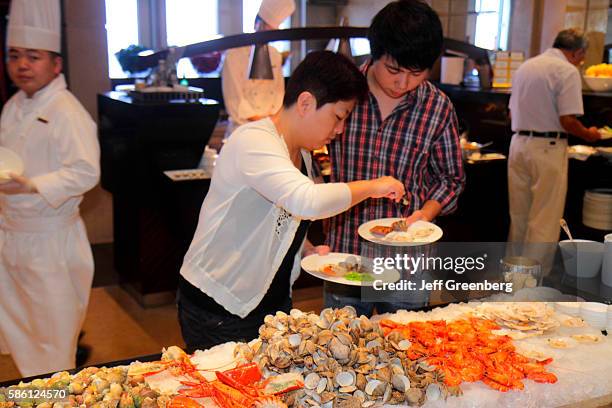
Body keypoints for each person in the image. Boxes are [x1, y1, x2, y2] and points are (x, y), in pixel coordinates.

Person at [178, 51, 405, 351]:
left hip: (269, 303)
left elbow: (277, 215)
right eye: (338, 117)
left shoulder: (303, 154)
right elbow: (305, 200)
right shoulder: (253, 140)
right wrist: (374, 186)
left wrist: (305, 247)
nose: (340, 130)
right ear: (306, 103)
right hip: (220, 305)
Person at [324, 0, 465, 316]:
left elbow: (451, 178)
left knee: (406, 351)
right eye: (393, 70)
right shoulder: (342, 93)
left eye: (416, 73)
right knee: (339, 350)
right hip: (346, 254)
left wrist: (425, 216)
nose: (403, 83)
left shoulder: (437, 107)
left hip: (408, 261)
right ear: (375, 54)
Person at [0, 0, 100, 377]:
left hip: (50, 246)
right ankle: (36, 398)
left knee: (52, 347)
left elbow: (86, 172)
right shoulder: (13, 105)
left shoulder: (66, 110)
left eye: (33, 56)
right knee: (21, 336)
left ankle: (53, 399)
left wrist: (34, 184)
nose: (22, 65)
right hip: (11, 237)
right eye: (14, 56)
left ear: (56, 64)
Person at [508, 29, 601, 245]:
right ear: (578, 52)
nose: (582, 61)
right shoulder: (567, 71)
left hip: (518, 145)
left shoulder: (526, 67)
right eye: (583, 56)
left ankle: (513, 272)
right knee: (545, 218)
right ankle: (535, 276)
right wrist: (589, 134)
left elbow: (511, 113)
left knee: (519, 214)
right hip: (548, 148)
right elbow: (567, 120)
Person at [221, 0, 295, 138]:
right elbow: (236, 103)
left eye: (273, 32)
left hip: (270, 130)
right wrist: (265, 125)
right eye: (267, 30)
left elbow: (279, 96)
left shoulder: (274, 55)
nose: (269, 37)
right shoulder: (234, 55)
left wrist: (271, 125)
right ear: (257, 24)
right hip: (242, 133)